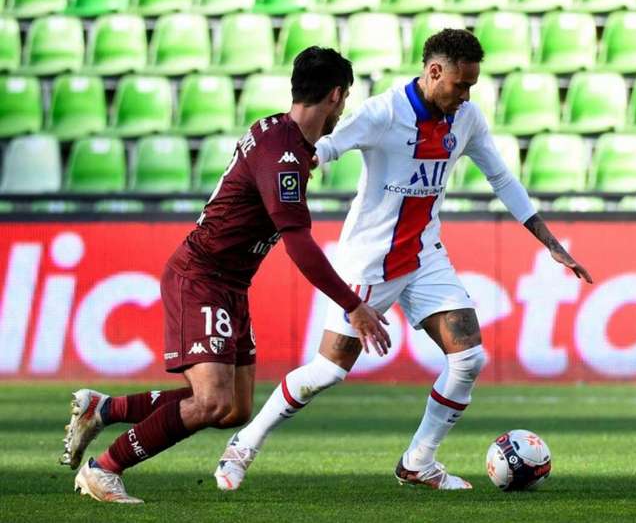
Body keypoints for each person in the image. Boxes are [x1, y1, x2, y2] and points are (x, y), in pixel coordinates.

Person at [214, 28, 593, 491]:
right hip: (369, 261)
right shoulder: (382, 113)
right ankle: (244, 444)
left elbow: (501, 177)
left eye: (472, 86)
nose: (466, 96)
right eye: (460, 85)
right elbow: (323, 147)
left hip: (424, 255)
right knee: (328, 371)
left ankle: (418, 460)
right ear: (434, 72)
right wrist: (291, 168)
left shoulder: (467, 119)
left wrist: (550, 243)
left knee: (469, 358)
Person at [59, 46, 390, 504]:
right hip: (203, 275)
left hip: (230, 282)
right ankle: (104, 469)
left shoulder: (278, 133)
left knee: (234, 408)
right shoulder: (285, 158)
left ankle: (105, 408)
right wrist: (353, 305)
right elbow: (299, 244)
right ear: (336, 95)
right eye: (346, 97)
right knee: (210, 401)